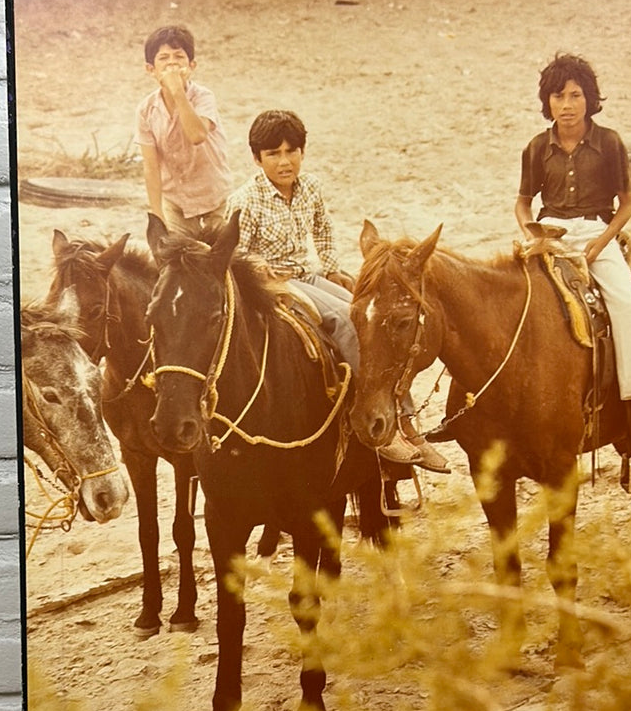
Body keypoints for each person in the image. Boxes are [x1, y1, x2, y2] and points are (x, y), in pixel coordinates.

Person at [227, 109, 449, 473]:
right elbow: (233, 250)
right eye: (274, 154)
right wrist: (255, 266)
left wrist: (332, 267)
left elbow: (323, 229)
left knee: (371, 319)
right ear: (257, 158)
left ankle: (406, 419)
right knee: (347, 326)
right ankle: (381, 423)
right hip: (275, 285)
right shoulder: (246, 199)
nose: (285, 162)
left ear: (302, 152)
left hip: (309, 274)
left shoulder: (310, 187)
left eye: (291, 151)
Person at [514, 53, 631, 456]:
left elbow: (627, 204)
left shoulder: (609, 143)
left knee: (629, 310)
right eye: (558, 97)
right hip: (549, 233)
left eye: (575, 95)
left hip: (594, 235)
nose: (567, 106)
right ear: (546, 102)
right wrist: (531, 229)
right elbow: (522, 202)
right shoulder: (536, 148)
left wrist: (603, 242)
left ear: (590, 99)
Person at [135, 25, 232, 238]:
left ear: (191, 65)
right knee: (176, 261)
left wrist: (178, 92)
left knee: (219, 261)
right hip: (177, 203)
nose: (171, 63)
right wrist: (158, 214)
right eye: (163, 58)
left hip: (213, 198)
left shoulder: (203, 97)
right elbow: (151, 167)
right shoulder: (146, 109)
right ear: (151, 69)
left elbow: (197, 136)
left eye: (179, 57)